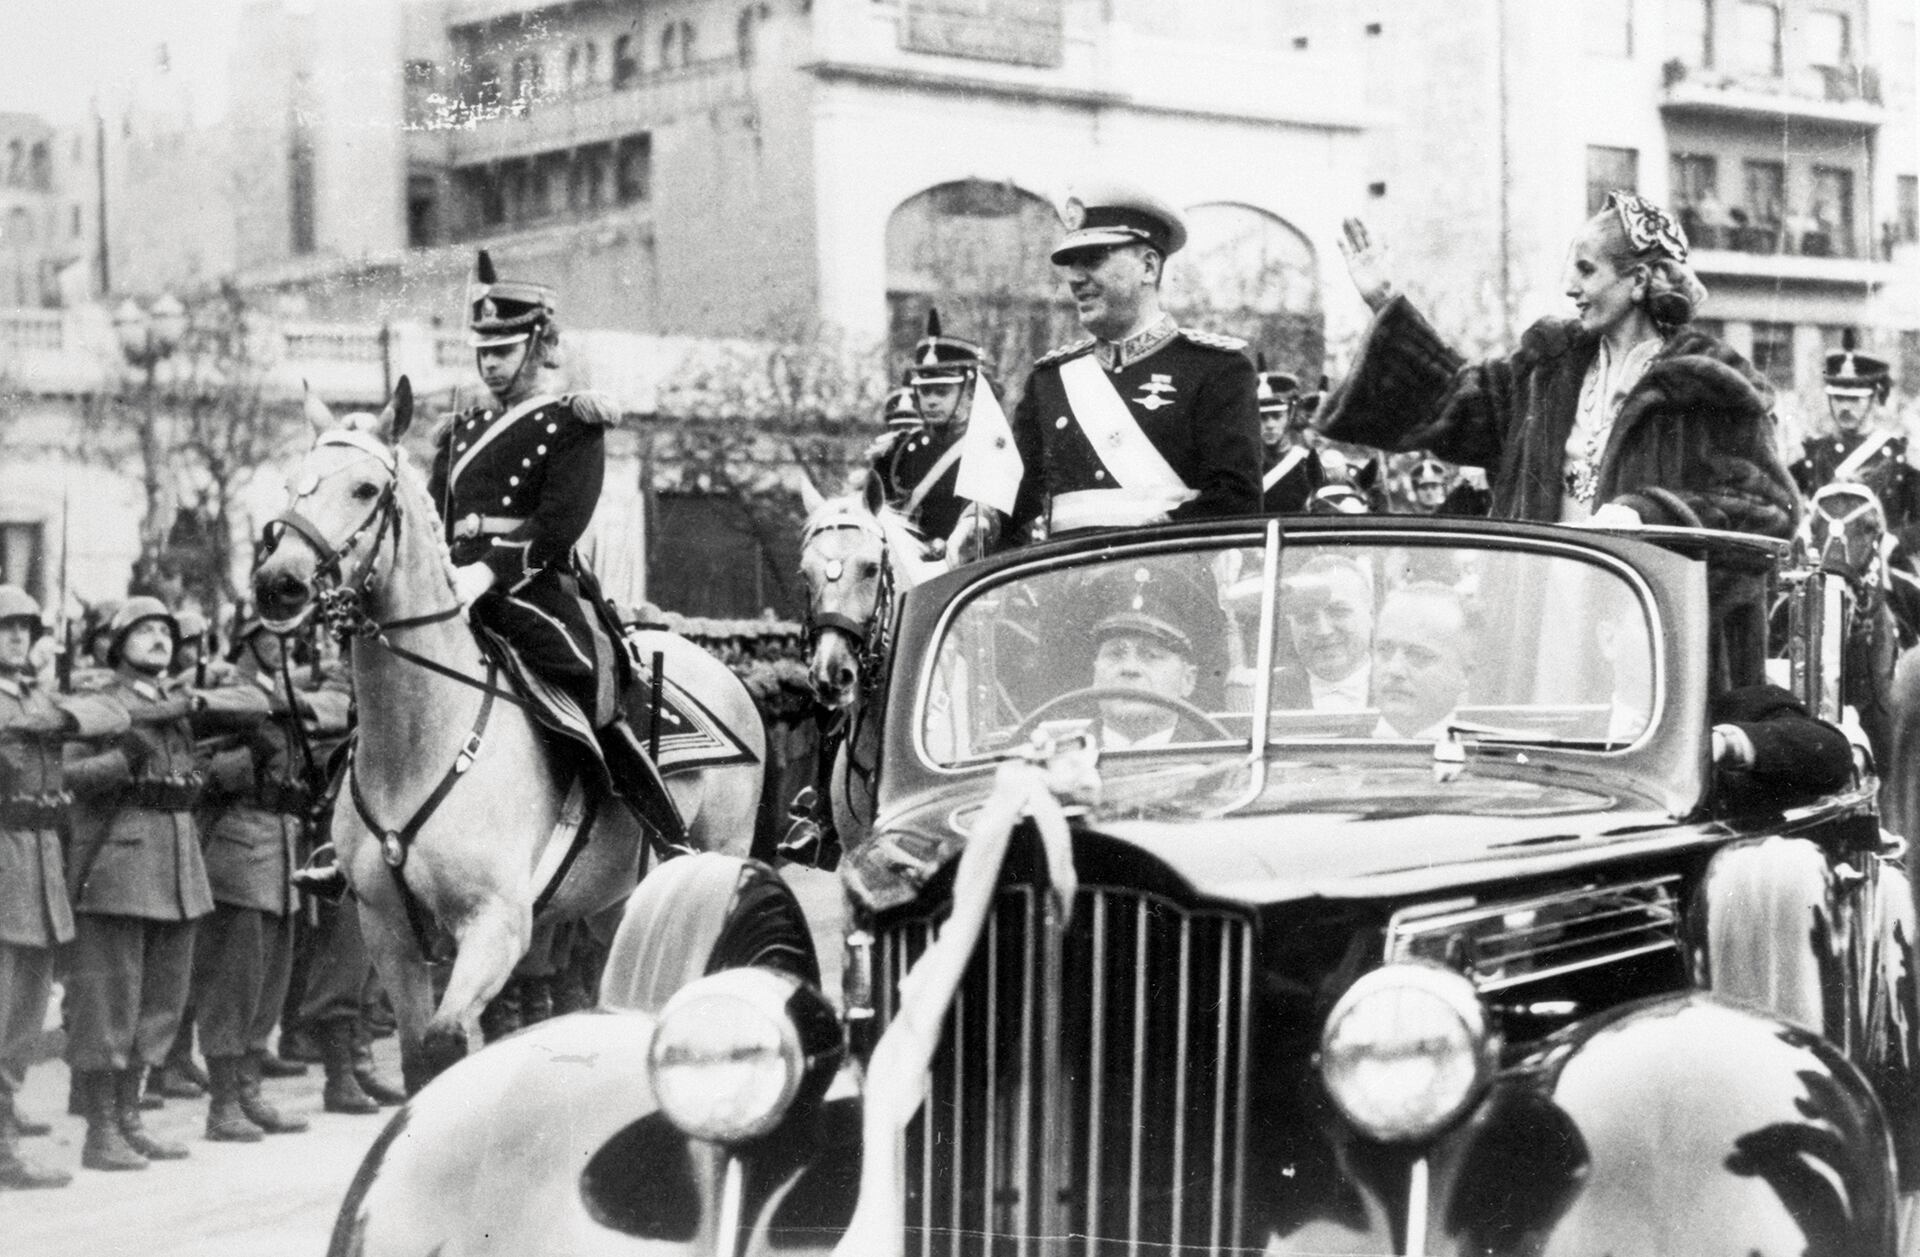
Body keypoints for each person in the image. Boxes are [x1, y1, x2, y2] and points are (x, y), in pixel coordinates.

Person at [1323, 193, 1799, 538]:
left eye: (1586, 270)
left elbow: (1766, 509)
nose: (1569, 286)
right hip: (1540, 617)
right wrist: (1384, 301)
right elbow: (1451, 400)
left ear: (1637, 280)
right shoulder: (1545, 371)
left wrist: (1649, 514)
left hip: (1642, 629)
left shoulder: (1708, 386)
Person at [428, 250, 680, 845]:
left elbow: (558, 523)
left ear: (538, 344)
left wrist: (485, 575)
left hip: (532, 585)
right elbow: (436, 512)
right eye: (482, 352)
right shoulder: (459, 430)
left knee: (583, 672)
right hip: (451, 583)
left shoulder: (573, 421)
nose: (489, 365)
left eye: (503, 350)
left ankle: (646, 814)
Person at [62, 597, 265, 1171]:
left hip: (178, 866)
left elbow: (258, 700)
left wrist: (192, 710)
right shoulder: (100, 699)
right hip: (119, 867)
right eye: (143, 630)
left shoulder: (177, 701)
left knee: (161, 1002)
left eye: (164, 630)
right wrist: (122, 759)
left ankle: (130, 1119)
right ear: (116, 643)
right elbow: (66, 775)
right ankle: (101, 1128)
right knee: (112, 1000)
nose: (158, 638)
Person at [987, 183, 1261, 548]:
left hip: (1173, 587)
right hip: (1068, 590)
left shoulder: (1215, 369)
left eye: (1094, 259)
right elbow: (1015, 497)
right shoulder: (1050, 380)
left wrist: (1143, 542)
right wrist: (980, 524)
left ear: (1148, 267)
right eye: (1071, 264)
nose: (1074, 278)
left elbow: (1237, 503)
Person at [191, 613, 349, 1141]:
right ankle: (223, 1102)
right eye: (270, 636)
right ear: (247, 642)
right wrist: (244, 757)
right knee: (234, 979)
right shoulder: (228, 694)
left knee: (271, 976)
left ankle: (249, 1087)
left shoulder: (288, 694)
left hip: (283, 845)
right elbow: (197, 770)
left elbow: (337, 708)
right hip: (240, 843)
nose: (283, 644)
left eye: (289, 637)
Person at [0, 587, 127, 1189]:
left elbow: (114, 714)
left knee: (24, 1013)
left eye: (24, 628)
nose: (17, 637)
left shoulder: (35, 696)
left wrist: (57, 718)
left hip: (42, 864)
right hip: (4, 861)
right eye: (5, 628)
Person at [873, 310, 1002, 549]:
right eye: (925, 391)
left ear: (970, 392)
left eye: (942, 391)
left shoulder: (992, 451)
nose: (931, 401)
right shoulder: (895, 453)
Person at [1790, 333, 1920, 555]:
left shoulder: (1898, 457)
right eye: (1839, 398)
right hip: (1821, 564)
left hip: (1881, 567)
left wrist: (1897, 541)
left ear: (1873, 398)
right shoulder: (1813, 454)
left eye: (1854, 399)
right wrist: (1798, 530)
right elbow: (1782, 505)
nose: (1845, 407)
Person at [1372, 583, 1475, 739]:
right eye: (1384, 651)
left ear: (1464, 674)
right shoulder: (1329, 751)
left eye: (1419, 655)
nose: (1394, 670)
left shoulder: (1492, 757)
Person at [1274, 556, 1374, 710]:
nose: (1323, 631)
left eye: (1339, 611)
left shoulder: (1412, 688)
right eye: (1306, 616)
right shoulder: (1264, 694)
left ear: (1371, 614)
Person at [1256, 361, 1325, 513]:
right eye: (1263, 417)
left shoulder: (1309, 465)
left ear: (1290, 416)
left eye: (1276, 416)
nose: (1270, 424)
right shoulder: (1246, 466)